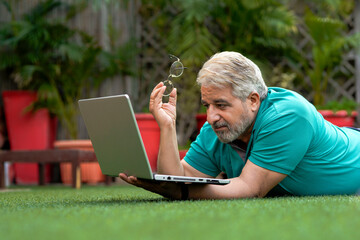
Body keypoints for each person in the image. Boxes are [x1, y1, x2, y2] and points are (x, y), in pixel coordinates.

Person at [119, 51, 360, 200]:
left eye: (221, 105)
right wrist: (167, 127)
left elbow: (250, 188)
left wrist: (179, 192)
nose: (211, 116)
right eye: (207, 105)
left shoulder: (288, 115)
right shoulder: (216, 130)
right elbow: (177, 179)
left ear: (253, 100)